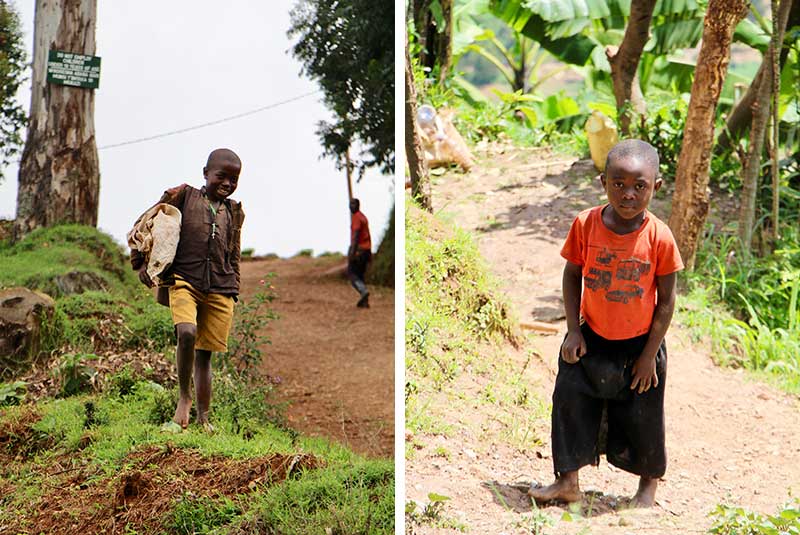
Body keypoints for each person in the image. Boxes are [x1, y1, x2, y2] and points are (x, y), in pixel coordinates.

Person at [529, 139, 684, 508]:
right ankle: (567, 481)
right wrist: (573, 329)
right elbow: (572, 275)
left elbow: (667, 301)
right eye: (618, 184)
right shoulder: (585, 225)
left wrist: (649, 355)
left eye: (639, 186)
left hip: (640, 346)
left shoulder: (660, 237)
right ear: (603, 182)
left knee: (645, 416)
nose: (628, 194)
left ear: (656, 187)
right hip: (592, 338)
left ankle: (647, 491)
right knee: (568, 399)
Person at [130, 148, 245, 430]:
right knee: (187, 332)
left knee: (205, 355)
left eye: (234, 179)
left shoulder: (234, 211)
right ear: (205, 173)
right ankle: (184, 398)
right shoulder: (183, 196)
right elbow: (145, 224)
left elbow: (234, 253)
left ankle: (203, 418)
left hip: (220, 286)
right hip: (184, 279)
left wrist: (235, 287)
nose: (227, 184)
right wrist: (141, 263)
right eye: (221, 176)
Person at [348, 198, 372, 308]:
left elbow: (356, 235)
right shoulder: (363, 217)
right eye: (350, 204)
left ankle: (363, 291)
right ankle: (365, 301)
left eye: (353, 204)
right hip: (366, 250)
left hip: (359, 250)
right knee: (360, 276)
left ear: (358, 205)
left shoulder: (357, 218)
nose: (351, 206)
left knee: (352, 274)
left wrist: (353, 252)